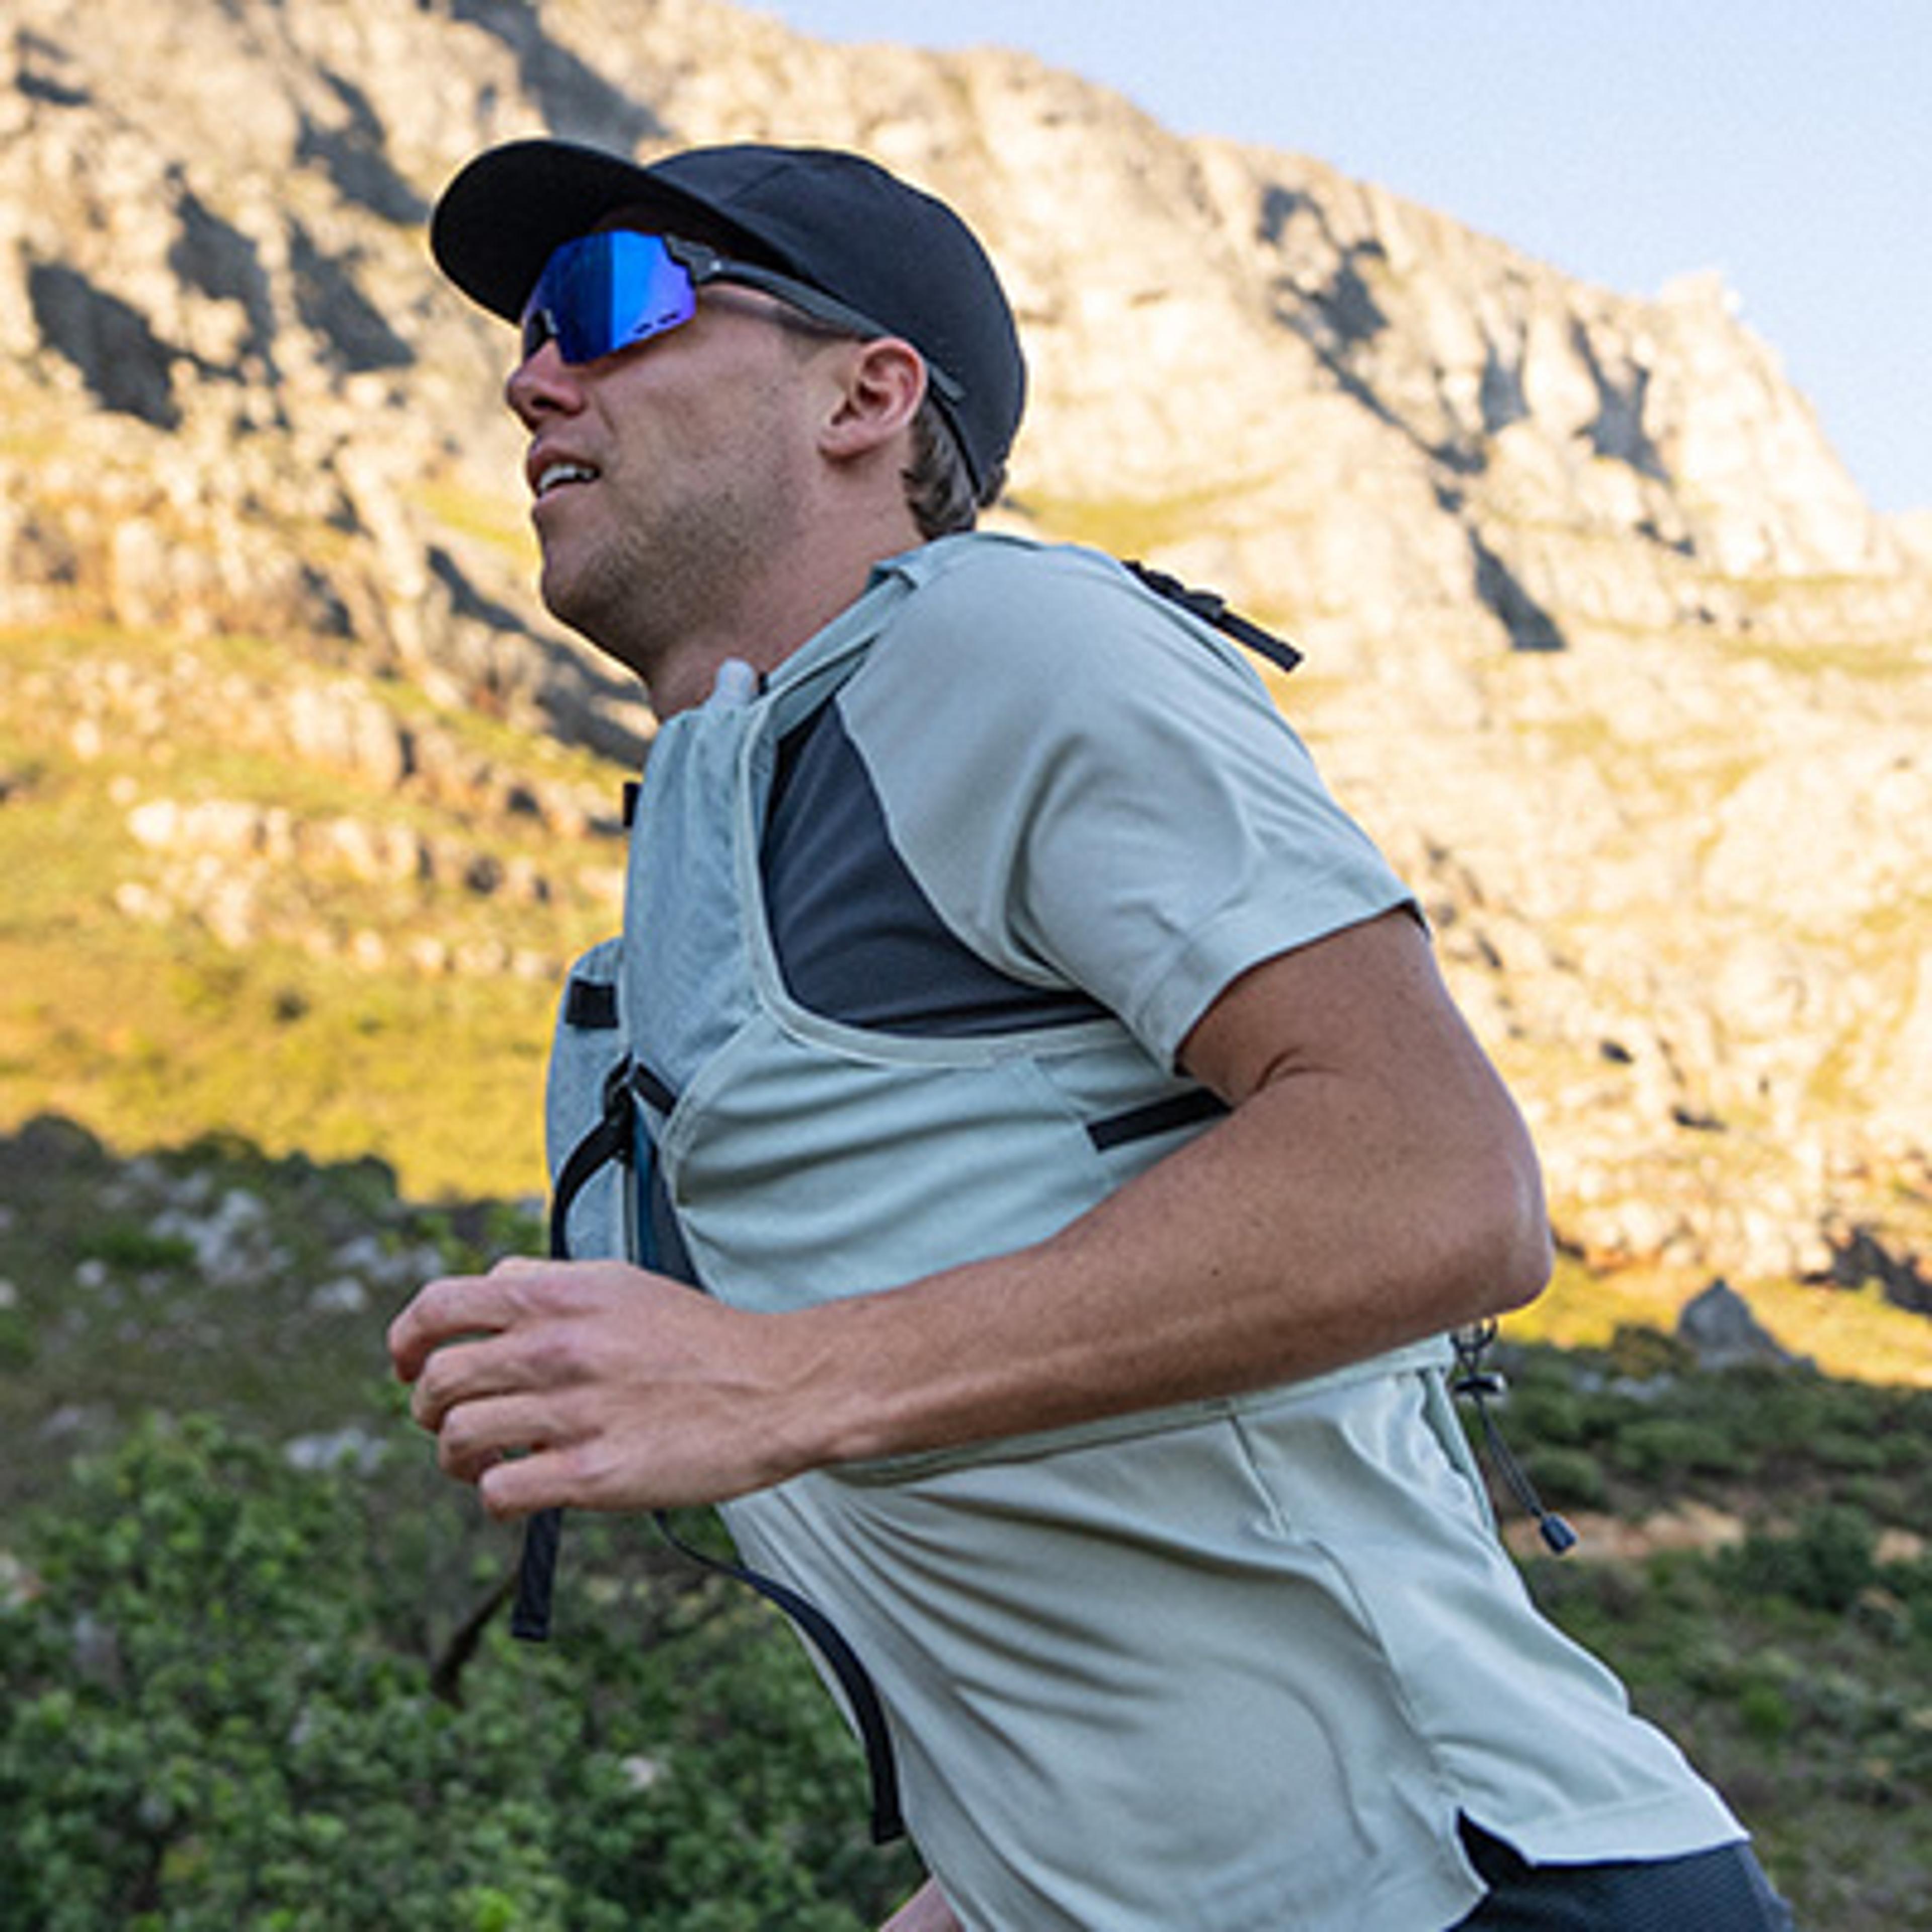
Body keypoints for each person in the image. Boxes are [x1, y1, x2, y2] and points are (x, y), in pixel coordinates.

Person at [387, 136, 1796, 1930]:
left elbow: (1439, 1181)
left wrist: (787, 1379)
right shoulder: (707, 863)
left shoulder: (1004, 642)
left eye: (611, 302)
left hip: (1476, 1895)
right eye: (527, 329)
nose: (533, 371)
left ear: (869, 397)